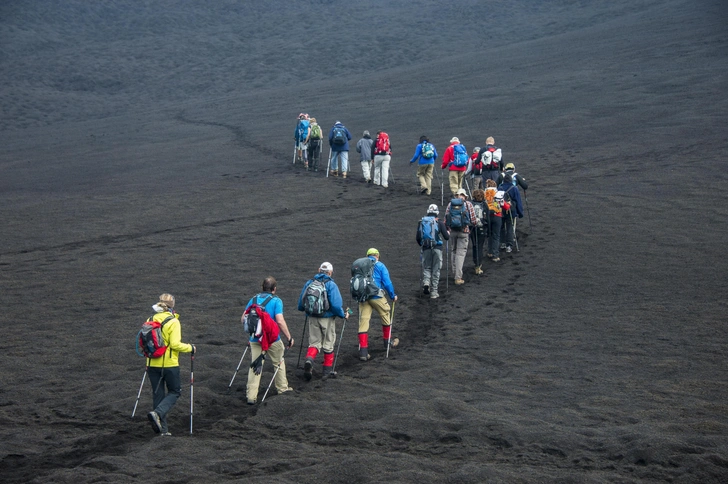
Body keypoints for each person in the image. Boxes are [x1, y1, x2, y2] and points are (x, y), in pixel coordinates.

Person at [146, 293, 195, 436]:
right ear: (172, 305)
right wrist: (191, 348)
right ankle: (158, 414)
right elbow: (175, 344)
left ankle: (162, 430)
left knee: (158, 396)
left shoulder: (150, 319)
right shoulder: (173, 322)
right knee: (175, 391)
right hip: (169, 364)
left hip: (151, 363)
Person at [243, 277, 294, 405]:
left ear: (262, 287)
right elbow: (280, 321)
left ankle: (251, 396)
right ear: (274, 289)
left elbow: (243, 318)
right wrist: (289, 337)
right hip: (272, 339)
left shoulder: (253, 300)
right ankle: (282, 389)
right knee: (279, 362)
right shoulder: (276, 301)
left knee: (255, 365)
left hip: (255, 338)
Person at [297, 262, 349, 381]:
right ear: (330, 272)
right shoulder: (331, 284)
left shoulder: (309, 283)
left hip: (312, 318)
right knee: (328, 344)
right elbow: (336, 305)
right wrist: (342, 315)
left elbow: (301, 302)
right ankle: (326, 372)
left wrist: (304, 311)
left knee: (314, 342)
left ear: (319, 270)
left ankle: (309, 360)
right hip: (327, 319)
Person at [356, 248, 398, 361]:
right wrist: (392, 295)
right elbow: (387, 282)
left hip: (363, 297)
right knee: (385, 314)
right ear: (377, 256)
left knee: (363, 322)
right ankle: (387, 342)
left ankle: (363, 352)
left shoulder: (361, 265)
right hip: (377, 296)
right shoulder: (380, 265)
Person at [416, 204, 449, 299]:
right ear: (437, 212)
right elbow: (446, 237)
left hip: (425, 248)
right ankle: (434, 292)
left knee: (426, 267)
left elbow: (418, 237)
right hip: (437, 248)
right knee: (436, 269)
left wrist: (422, 245)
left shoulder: (422, 222)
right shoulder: (439, 222)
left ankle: (426, 282)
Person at [444, 188, 476, 285]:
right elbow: (473, 219)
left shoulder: (450, 204)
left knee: (453, 251)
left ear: (456, 195)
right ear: (465, 196)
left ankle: (455, 272)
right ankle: (458, 277)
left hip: (453, 231)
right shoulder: (468, 204)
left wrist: (448, 229)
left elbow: (446, 218)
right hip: (464, 231)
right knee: (460, 254)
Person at [498, 173, 524, 254]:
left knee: (501, 227)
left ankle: (502, 243)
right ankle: (509, 246)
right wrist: (520, 213)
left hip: (501, 210)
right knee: (510, 227)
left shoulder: (500, 187)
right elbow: (518, 201)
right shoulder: (514, 188)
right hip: (511, 210)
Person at [485, 179, 509, 262]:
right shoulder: (498, 194)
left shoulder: (485, 194)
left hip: (487, 217)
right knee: (496, 235)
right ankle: (495, 255)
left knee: (489, 234)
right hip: (497, 216)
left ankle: (490, 252)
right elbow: (505, 206)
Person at [470, 189, 488, 274]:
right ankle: (478, 265)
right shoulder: (484, 204)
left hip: (472, 228)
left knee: (474, 245)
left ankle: (475, 263)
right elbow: (487, 218)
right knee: (480, 247)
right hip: (481, 228)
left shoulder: (470, 204)